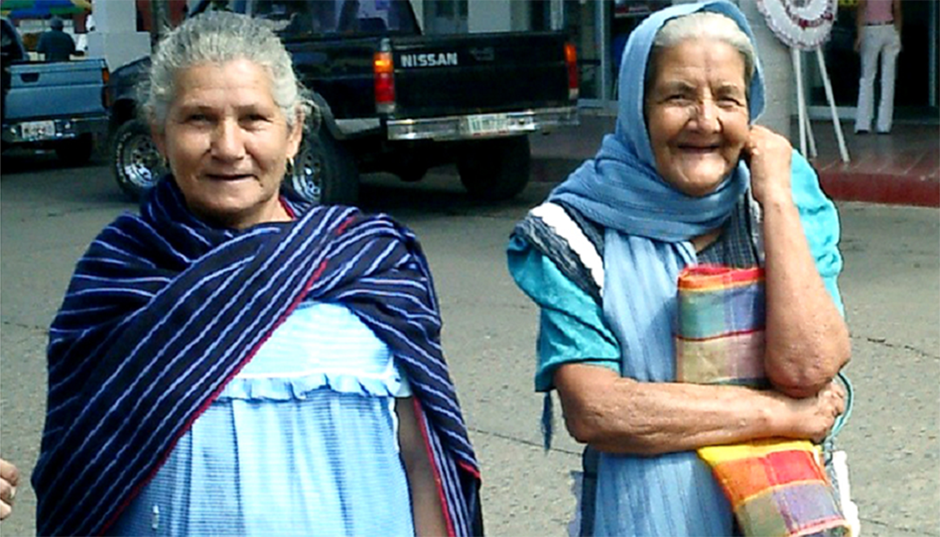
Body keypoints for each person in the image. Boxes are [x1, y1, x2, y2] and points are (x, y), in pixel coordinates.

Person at [31, 11, 482, 537]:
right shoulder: (120, 276)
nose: (228, 147)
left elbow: (427, 467)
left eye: (253, 120)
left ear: (293, 133)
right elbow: (80, 479)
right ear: (159, 136)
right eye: (199, 119)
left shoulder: (371, 262)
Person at [507, 1, 853, 536]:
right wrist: (781, 416)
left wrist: (778, 199)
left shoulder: (784, 199)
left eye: (728, 99)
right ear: (637, 109)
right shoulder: (573, 229)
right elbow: (598, 410)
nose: (706, 120)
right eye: (679, 96)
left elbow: (807, 370)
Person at [854, 0, 902, 134]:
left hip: (871, 28)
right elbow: (897, 9)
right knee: (888, 79)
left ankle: (863, 123)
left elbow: (861, 8)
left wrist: (859, 34)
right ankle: (884, 124)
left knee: (867, 77)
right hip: (890, 28)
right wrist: (898, 33)